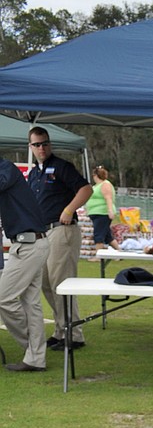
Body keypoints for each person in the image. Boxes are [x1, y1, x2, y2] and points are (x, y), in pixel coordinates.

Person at [26, 126, 92, 351]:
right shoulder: (34, 173)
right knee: (46, 283)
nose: (41, 148)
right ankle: (61, 329)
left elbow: (85, 189)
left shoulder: (62, 167)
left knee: (61, 284)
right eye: (37, 144)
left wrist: (69, 209)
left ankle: (74, 334)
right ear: (30, 147)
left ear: (49, 144)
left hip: (62, 231)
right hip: (42, 234)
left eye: (44, 143)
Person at [0, 157, 50, 373]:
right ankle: (36, 358)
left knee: (4, 298)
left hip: (28, 245)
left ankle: (32, 348)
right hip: (30, 243)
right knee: (31, 304)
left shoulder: (5, 168)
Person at [85, 166, 119, 251]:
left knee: (98, 234)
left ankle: (98, 256)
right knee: (108, 236)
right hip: (96, 213)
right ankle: (119, 252)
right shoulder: (97, 186)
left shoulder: (105, 184)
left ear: (96, 175)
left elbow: (108, 198)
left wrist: (110, 210)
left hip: (102, 213)